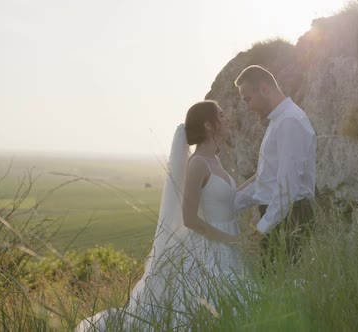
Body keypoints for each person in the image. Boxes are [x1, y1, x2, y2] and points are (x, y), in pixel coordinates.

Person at [76, 100, 243, 331]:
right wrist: (229, 239)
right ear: (208, 125)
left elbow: (228, 198)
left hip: (229, 244)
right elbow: (189, 219)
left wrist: (263, 178)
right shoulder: (197, 164)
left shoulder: (216, 161)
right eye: (221, 115)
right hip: (212, 247)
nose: (227, 119)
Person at [234, 65, 317, 269]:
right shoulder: (279, 120)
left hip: (289, 218)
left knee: (278, 286)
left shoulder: (289, 121)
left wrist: (262, 228)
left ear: (264, 88)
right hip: (281, 215)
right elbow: (267, 180)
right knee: (272, 285)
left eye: (248, 99)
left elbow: (287, 186)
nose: (247, 107)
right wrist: (231, 202)